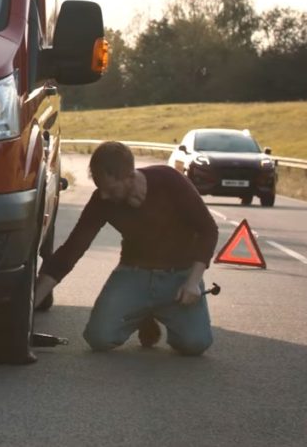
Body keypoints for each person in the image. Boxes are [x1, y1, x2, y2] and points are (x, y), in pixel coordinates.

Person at [35, 141, 219, 355]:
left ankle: (160, 312)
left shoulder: (170, 181)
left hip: (179, 277)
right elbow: (71, 251)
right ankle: (141, 311)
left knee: (195, 344)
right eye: (99, 188)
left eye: (109, 189)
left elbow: (208, 230)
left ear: (130, 176)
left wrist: (193, 283)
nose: (103, 195)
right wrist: (32, 304)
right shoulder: (101, 201)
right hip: (133, 274)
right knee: (99, 339)